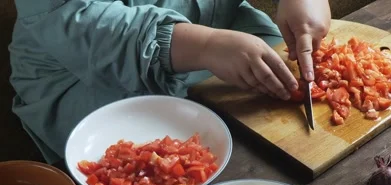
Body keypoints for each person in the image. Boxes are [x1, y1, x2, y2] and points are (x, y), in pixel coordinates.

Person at [9, 0, 331, 164]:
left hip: (226, 27)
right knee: (177, 165)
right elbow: (77, 18)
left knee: (281, 133)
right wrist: (204, 46)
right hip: (87, 71)